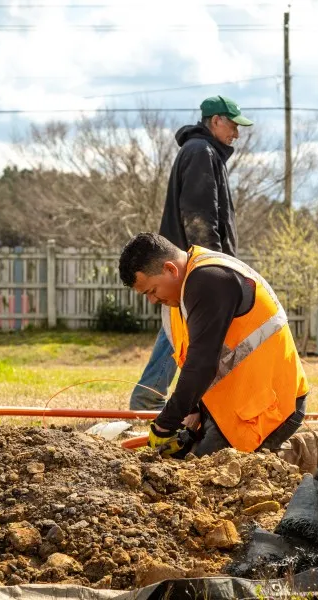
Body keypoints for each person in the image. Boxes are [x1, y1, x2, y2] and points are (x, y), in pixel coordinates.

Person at [118, 232, 309, 457]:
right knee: (181, 460)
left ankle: (300, 454)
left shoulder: (209, 280)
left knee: (203, 477)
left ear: (170, 269)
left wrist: (165, 424)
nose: (152, 300)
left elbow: (201, 364)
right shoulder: (186, 288)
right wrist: (195, 410)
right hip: (235, 406)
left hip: (269, 407)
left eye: (151, 291)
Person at [128, 95, 253, 411]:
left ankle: (158, 398)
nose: (236, 134)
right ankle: (147, 400)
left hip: (186, 265)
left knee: (181, 333)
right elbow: (199, 215)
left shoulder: (203, 152)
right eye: (233, 125)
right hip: (187, 267)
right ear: (216, 121)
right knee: (181, 335)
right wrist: (213, 267)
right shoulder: (200, 152)